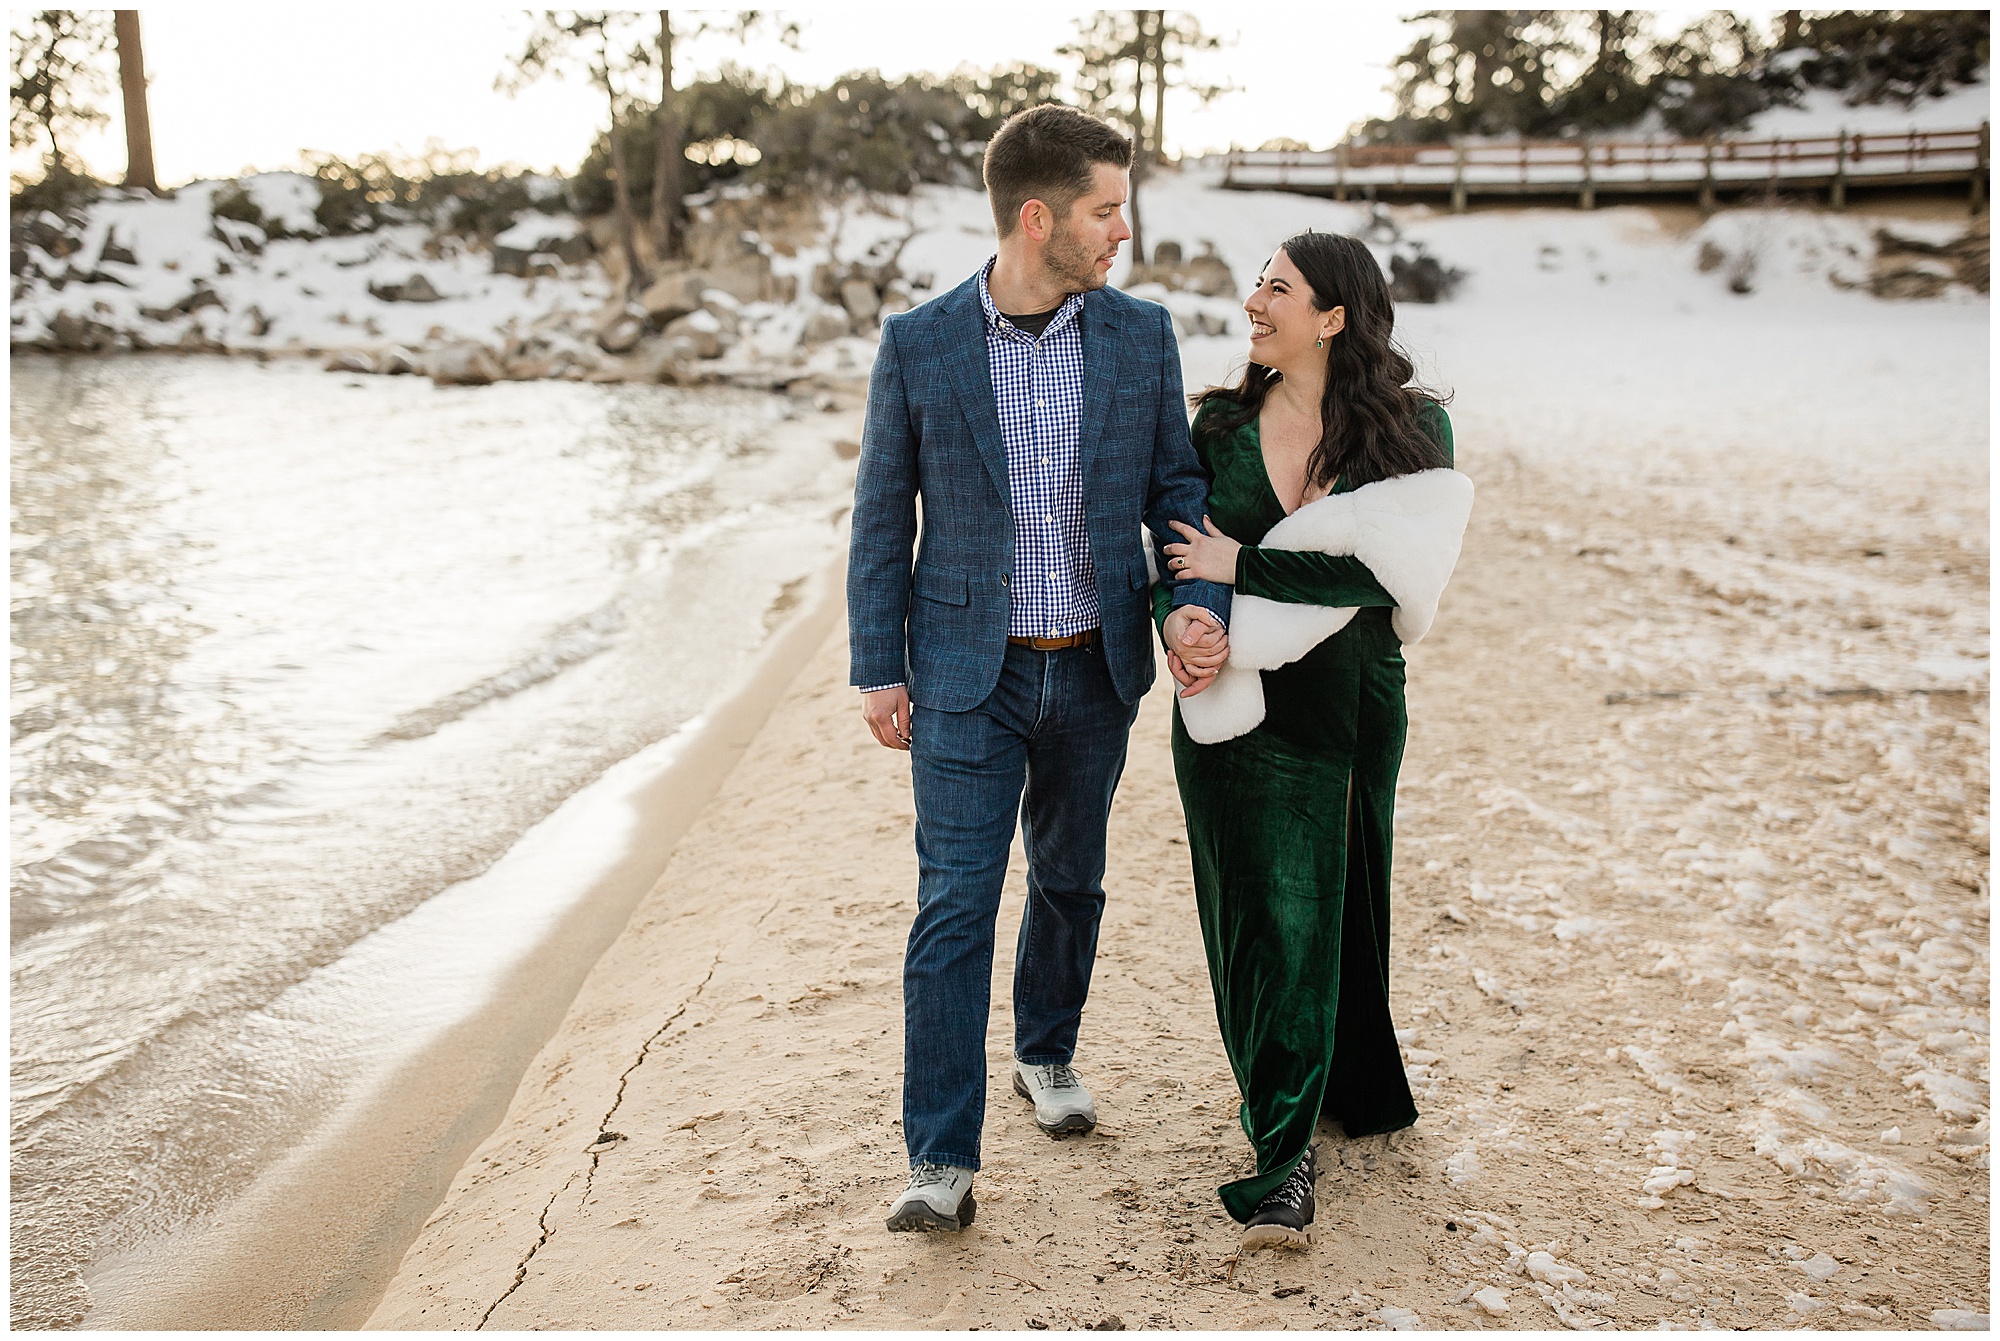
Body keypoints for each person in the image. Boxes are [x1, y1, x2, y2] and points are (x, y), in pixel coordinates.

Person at [847, 103, 1234, 1234]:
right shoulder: (919, 343)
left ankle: (1045, 1052)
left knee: (1069, 882)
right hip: (965, 672)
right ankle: (939, 1162)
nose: (1120, 231)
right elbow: (881, 519)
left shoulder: (1136, 336)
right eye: (1104, 210)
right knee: (954, 906)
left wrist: (1189, 609)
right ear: (1037, 216)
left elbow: (1175, 494)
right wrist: (881, 669)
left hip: (1094, 670)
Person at [1159, 230, 1469, 1252]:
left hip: (1353, 702)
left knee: (1343, 897)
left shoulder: (1412, 432)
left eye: (1276, 288)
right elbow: (1170, 552)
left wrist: (1245, 565)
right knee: (1260, 919)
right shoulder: (1216, 428)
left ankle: (1351, 1083)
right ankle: (1280, 1156)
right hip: (1235, 701)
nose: (1252, 301)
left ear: (1331, 316)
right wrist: (1184, 619)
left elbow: (1392, 574)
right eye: (1254, 282)